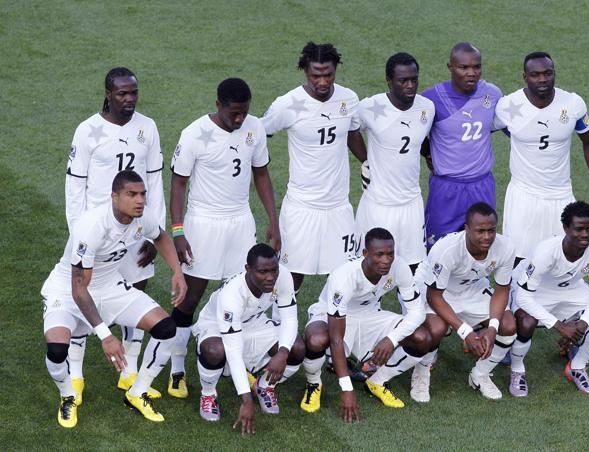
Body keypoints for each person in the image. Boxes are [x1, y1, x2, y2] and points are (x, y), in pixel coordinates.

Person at [41, 171, 186, 427]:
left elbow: (160, 236)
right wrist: (106, 336)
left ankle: (137, 392)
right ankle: (67, 396)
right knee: (57, 349)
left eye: (142, 194)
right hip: (67, 291)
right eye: (132, 194)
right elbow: (79, 288)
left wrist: (177, 271)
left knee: (167, 329)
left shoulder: (142, 217)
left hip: (111, 287)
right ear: (114, 197)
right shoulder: (91, 226)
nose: (139, 200)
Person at [167, 78, 281, 398]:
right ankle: (177, 369)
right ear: (218, 105)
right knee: (189, 299)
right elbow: (178, 184)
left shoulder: (254, 128)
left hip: (240, 223)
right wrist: (178, 231)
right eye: (233, 113)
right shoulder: (194, 134)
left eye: (244, 112)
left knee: (241, 294)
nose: (239, 119)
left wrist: (274, 221)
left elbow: (261, 173)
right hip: (203, 223)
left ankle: (236, 363)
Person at [65, 67, 166, 402]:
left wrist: (154, 233)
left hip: (135, 232)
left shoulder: (148, 127)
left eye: (133, 92)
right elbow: (74, 188)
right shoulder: (88, 130)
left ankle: (129, 372)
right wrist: (79, 238)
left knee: (135, 294)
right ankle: (75, 376)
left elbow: (154, 183)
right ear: (108, 94)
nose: (129, 99)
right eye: (122, 93)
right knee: (84, 299)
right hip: (96, 235)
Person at [262, 41, 366, 292]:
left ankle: (334, 316)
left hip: (338, 207)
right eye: (315, 75)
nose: (322, 81)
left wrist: (368, 162)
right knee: (292, 276)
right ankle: (280, 315)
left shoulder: (349, 99)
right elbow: (260, 131)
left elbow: (351, 132)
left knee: (343, 274)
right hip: (302, 208)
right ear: (305, 72)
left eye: (328, 74)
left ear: (335, 70)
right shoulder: (287, 104)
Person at [300, 228, 432, 420]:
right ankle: (313, 383)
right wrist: (346, 388)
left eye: (390, 253)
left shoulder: (399, 266)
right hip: (331, 315)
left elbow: (417, 312)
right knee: (316, 339)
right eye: (379, 254)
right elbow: (336, 338)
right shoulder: (344, 276)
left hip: (370, 315)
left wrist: (391, 339)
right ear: (365, 253)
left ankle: (378, 381)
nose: (386, 260)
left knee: (422, 338)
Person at [495, 52, 589, 260]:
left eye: (548, 73)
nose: (542, 79)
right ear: (525, 77)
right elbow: (482, 130)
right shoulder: (507, 106)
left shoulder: (572, 104)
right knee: (519, 261)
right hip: (523, 196)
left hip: (561, 195)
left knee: (563, 259)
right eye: (535, 74)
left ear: (554, 73)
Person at [192, 244, 304, 432]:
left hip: (253, 321)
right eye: (263, 272)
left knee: (297, 347)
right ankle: (208, 394)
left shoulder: (283, 276)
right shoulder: (231, 294)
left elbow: (290, 319)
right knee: (215, 350)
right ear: (248, 269)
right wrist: (246, 400)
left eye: (274, 270)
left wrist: (283, 353)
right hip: (216, 325)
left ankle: (264, 386)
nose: (270, 277)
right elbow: (234, 350)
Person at [412, 202, 517, 401]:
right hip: (436, 290)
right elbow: (434, 296)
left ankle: (480, 374)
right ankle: (422, 372)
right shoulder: (446, 249)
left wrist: (492, 328)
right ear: (467, 229)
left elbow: (502, 289)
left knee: (508, 325)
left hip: (472, 287)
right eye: (480, 231)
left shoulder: (506, 247)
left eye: (491, 230)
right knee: (436, 328)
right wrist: (465, 331)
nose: (487, 237)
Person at [509, 201, 589, 396]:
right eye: (579, 229)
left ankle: (577, 366)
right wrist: (559, 326)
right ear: (566, 228)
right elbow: (524, 297)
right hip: (534, 291)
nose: (585, 234)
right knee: (526, 321)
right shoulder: (546, 252)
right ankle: (517, 369)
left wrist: (583, 322)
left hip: (571, 288)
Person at [355, 52, 435, 271]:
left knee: (414, 267)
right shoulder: (369, 107)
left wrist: (429, 155)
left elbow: (420, 138)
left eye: (414, 79)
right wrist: (366, 160)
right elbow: (351, 130)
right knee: (371, 267)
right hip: (378, 205)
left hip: (411, 203)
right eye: (403, 81)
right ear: (389, 81)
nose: (410, 85)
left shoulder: (427, 108)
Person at [421, 43, 503, 248]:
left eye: (477, 67)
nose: (471, 73)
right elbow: (417, 135)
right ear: (450, 67)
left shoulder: (492, 94)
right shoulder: (431, 99)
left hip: (481, 185)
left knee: (482, 245)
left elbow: (498, 126)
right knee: (437, 247)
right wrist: (428, 154)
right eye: (464, 67)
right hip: (446, 188)